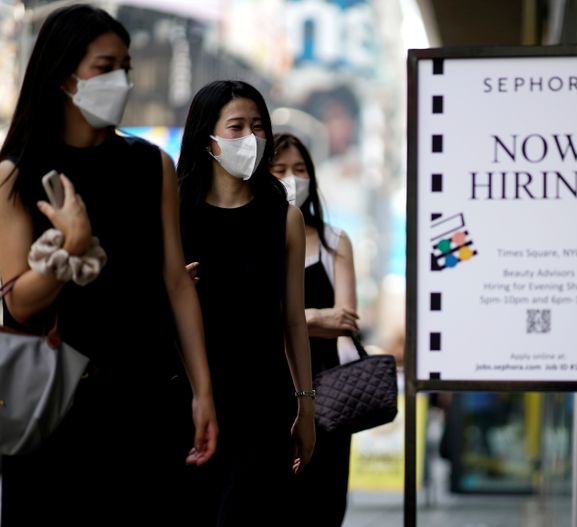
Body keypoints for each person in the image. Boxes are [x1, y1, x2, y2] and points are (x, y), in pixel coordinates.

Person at [0, 4, 217, 526]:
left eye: (126, 66)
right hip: (54, 409)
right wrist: (69, 250)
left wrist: (203, 391)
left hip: (146, 404)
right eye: (105, 67)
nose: (120, 79)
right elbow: (16, 303)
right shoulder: (17, 174)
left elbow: (175, 283)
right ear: (64, 77)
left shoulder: (151, 165)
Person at [177, 81, 316, 524]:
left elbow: (293, 320)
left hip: (263, 401)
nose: (251, 138)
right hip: (188, 398)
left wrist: (306, 406)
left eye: (258, 127)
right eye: (236, 127)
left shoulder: (283, 217)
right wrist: (170, 288)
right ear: (207, 138)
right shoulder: (174, 211)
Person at [271, 132, 359, 526]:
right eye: (280, 169)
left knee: (325, 499)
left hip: (330, 392)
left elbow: (346, 320)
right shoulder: (257, 240)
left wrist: (290, 319)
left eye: (300, 169)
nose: (292, 178)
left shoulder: (334, 241)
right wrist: (315, 318)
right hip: (271, 384)